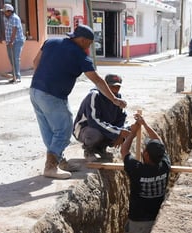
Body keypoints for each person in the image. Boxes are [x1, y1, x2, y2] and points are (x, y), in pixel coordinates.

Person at [30, 24, 127, 179]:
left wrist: (44, 80)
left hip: (35, 91)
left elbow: (35, 63)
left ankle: (59, 161)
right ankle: (51, 167)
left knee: (48, 129)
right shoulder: (79, 55)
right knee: (63, 130)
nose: (89, 47)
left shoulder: (51, 42)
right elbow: (98, 81)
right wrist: (114, 99)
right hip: (53, 96)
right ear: (82, 40)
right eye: (88, 43)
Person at [120, 113, 171, 233]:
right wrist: (145, 124)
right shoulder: (165, 166)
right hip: (155, 222)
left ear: (147, 155)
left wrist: (134, 132)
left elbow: (124, 150)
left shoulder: (137, 169)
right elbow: (160, 143)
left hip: (136, 225)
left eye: (144, 150)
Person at [73, 74, 130, 162]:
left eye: (117, 87)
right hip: (85, 129)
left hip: (102, 127)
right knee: (95, 133)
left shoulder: (118, 98)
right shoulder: (94, 96)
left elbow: (122, 118)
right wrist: (118, 132)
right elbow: (94, 121)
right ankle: (89, 150)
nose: (115, 90)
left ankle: (101, 148)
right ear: (105, 86)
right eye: (112, 87)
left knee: (127, 130)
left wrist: (121, 133)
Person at [0, 4, 26, 84]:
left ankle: (18, 77)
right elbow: (6, 28)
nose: (4, 13)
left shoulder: (15, 18)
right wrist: (3, 37)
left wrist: (11, 41)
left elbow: (14, 30)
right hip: (9, 41)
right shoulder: (5, 18)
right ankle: (14, 75)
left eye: (5, 12)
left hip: (17, 40)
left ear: (10, 11)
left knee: (16, 58)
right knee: (11, 58)